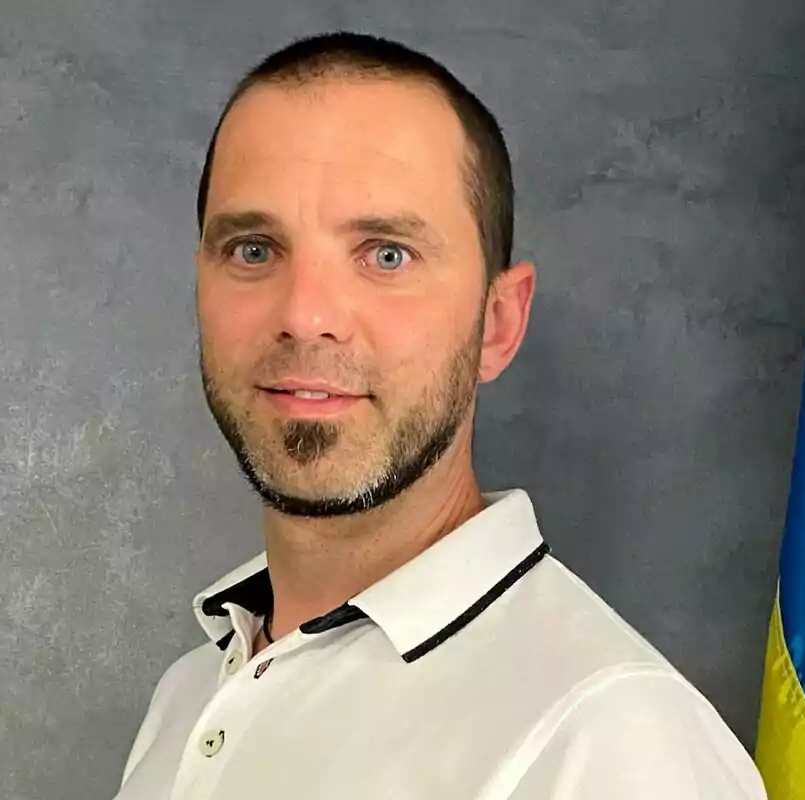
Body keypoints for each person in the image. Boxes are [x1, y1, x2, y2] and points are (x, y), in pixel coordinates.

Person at [114, 30, 767, 800]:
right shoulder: (191, 695)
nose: (306, 315)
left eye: (386, 254)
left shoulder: (611, 741)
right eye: (254, 250)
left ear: (497, 322)